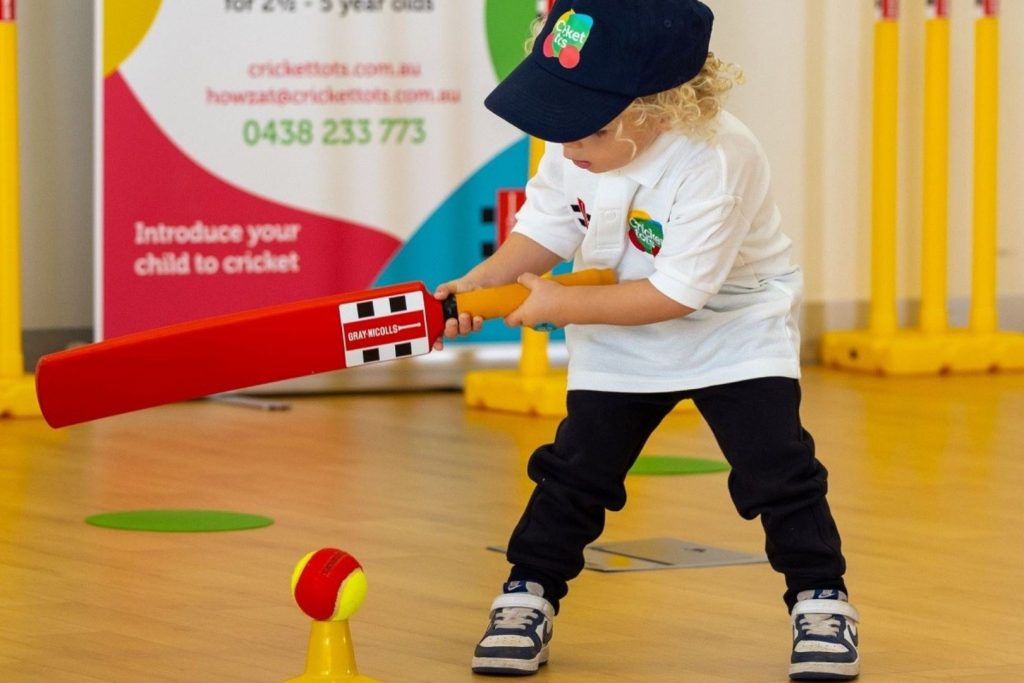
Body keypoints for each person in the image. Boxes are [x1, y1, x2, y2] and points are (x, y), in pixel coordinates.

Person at [433, 1, 859, 679]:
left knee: (778, 471)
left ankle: (820, 599)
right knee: (575, 471)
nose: (569, 149)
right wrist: (478, 284)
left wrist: (565, 303)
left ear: (661, 107)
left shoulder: (717, 159)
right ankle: (527, 592)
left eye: (588, 131)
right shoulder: (580, 140)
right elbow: (547, 228)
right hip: (617, 324)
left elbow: (678, 293)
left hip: (731, 329)